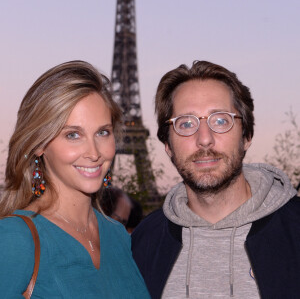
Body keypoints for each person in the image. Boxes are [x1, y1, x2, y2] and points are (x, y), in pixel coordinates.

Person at [131, 61, 300, 298]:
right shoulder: (143, 244)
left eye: (220, 120)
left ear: (247, 136)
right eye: (186, 123)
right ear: (168, 146)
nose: (204, 139)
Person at [0, 61, 150, 298]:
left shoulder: (117, 235)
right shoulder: (14, 239)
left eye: (102, 132)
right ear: (39, 144)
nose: (94, 152)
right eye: (73, 135)